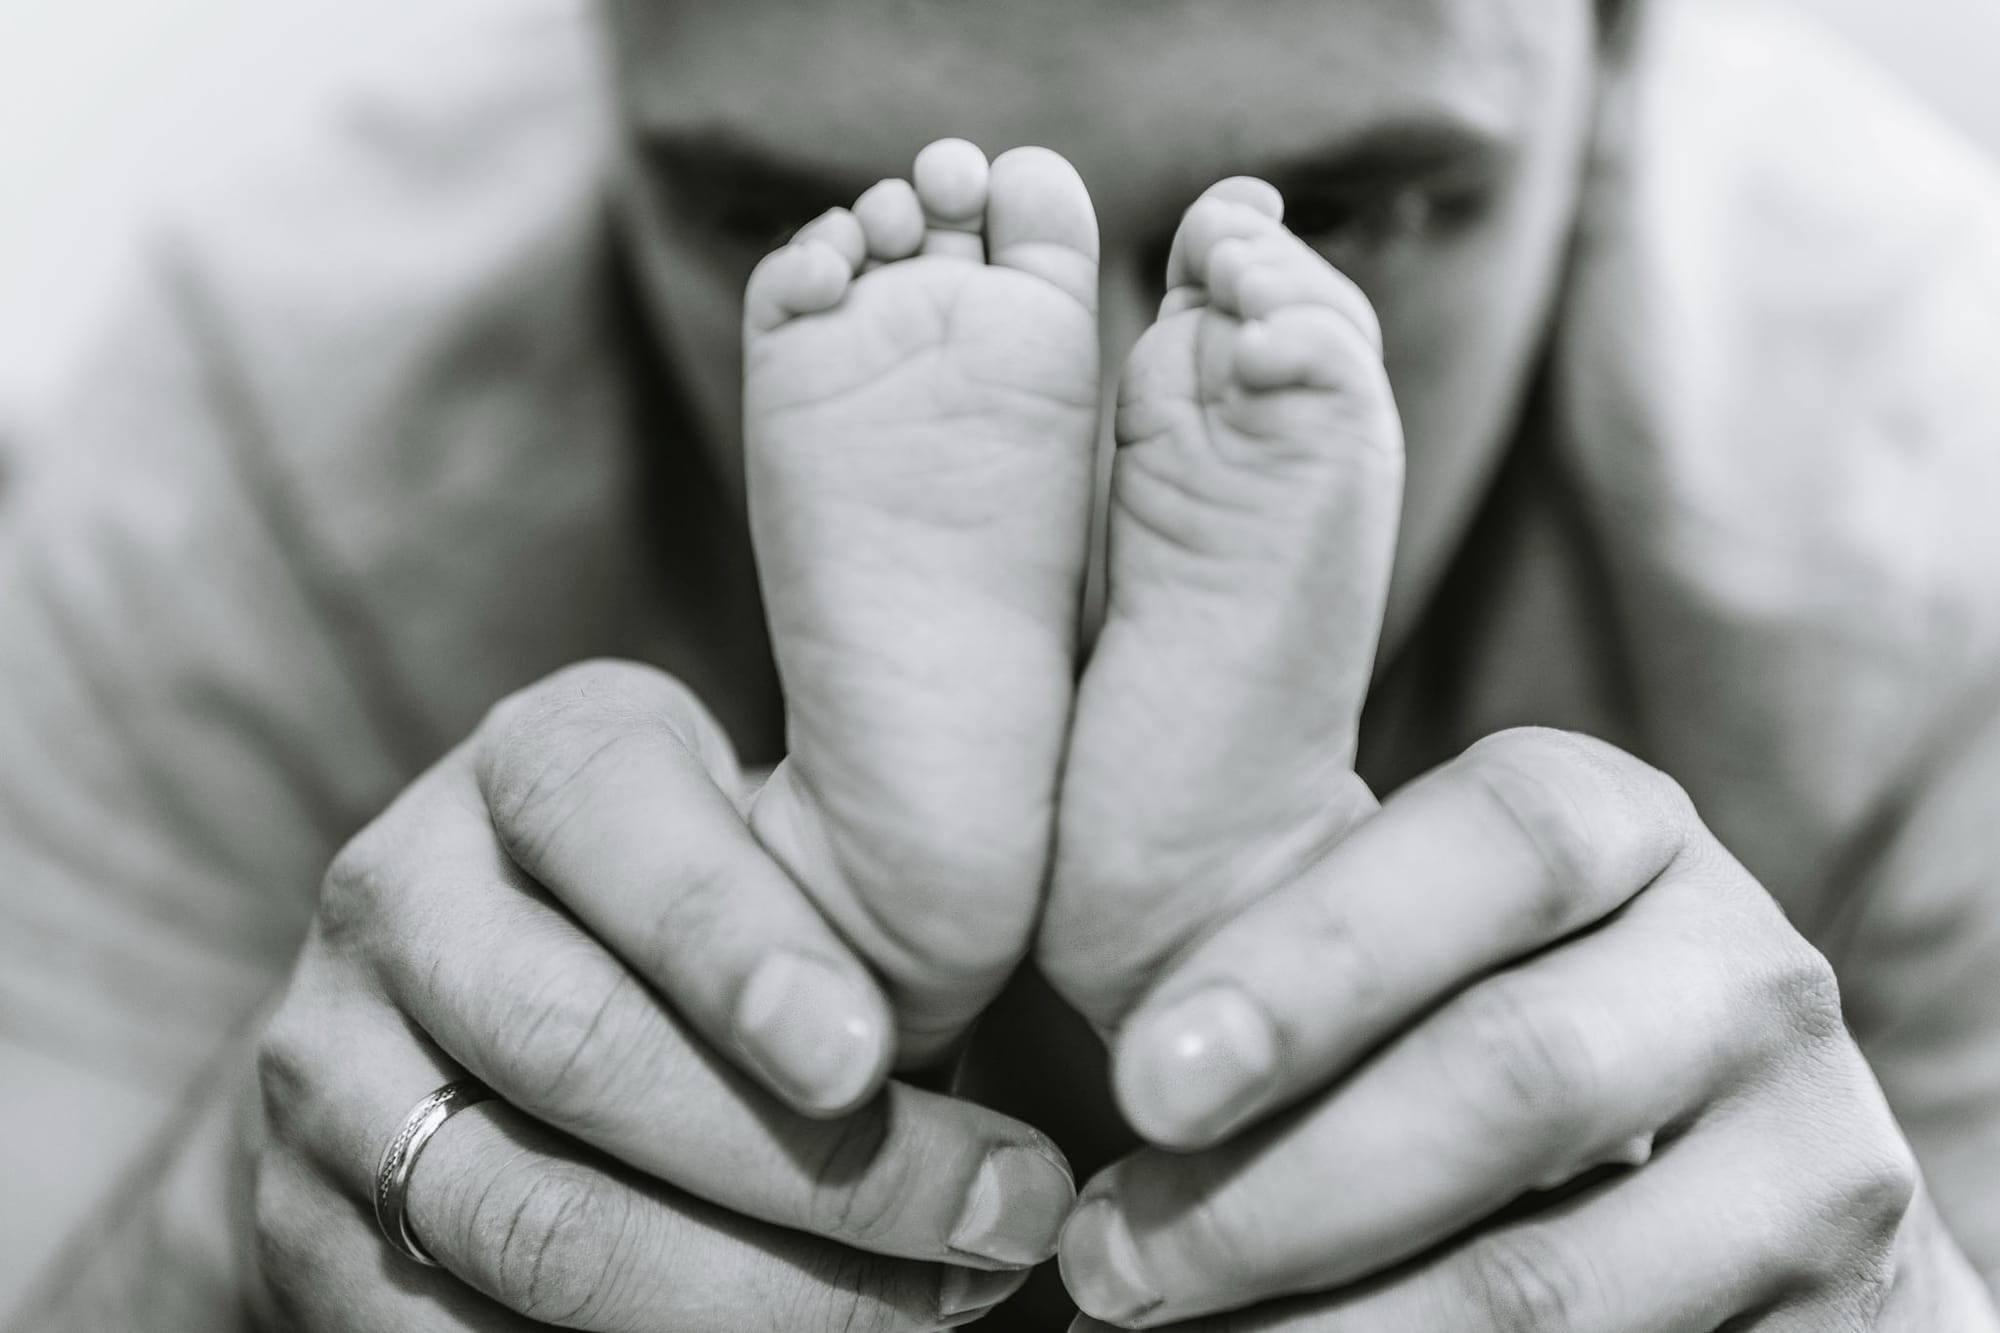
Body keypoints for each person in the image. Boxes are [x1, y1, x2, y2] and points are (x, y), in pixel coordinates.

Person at [7, 0, 2000, 1327]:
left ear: (1623, 57)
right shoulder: (276, 430)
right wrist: (221, 1259)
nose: (1099, 422)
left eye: (1355, 210)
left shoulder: (1921, 471)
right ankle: (1083, 883)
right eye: (791, 218)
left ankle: (932, 896)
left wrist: (1897, 1299)